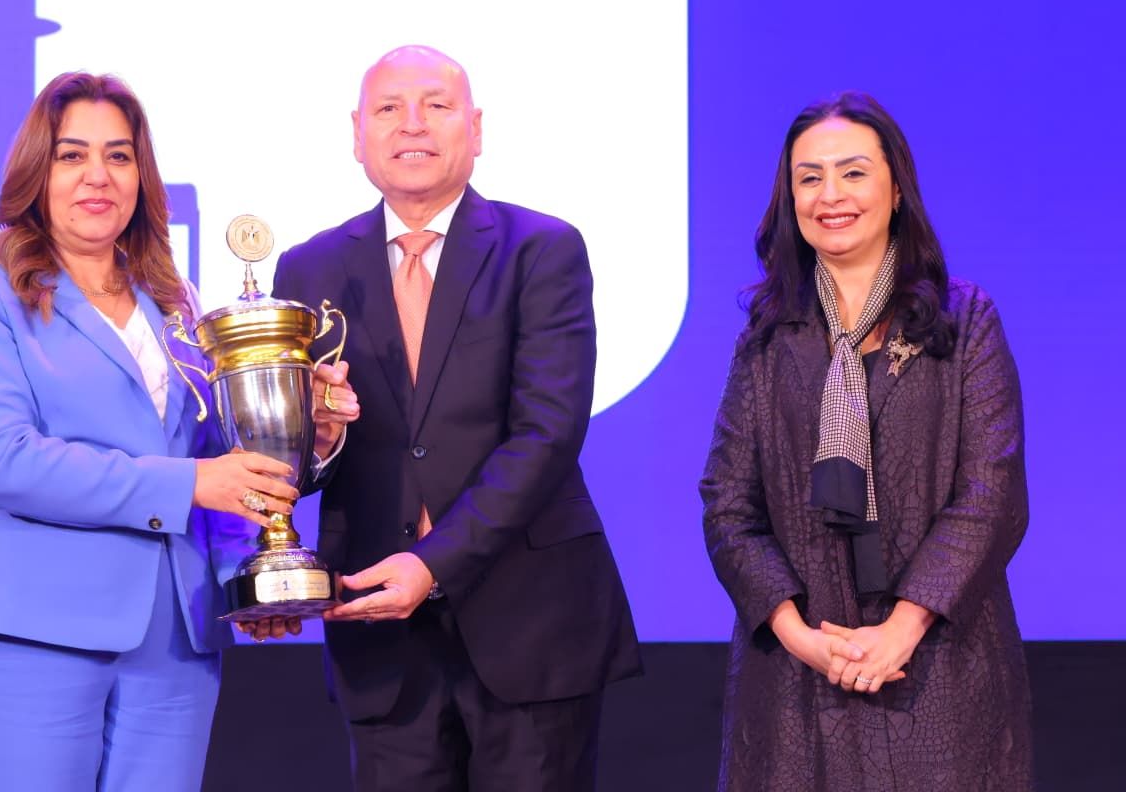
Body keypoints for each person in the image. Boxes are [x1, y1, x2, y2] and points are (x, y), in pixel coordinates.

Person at [262, 45, 641, 791]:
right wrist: (321, 440)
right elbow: (294, 452)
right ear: (357, 134)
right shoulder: (308, 268)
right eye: (388, 109)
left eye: (436, 106)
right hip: (377, 627)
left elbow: (548, 432)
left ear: (476, 129)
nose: (413, 124)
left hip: (529, 620)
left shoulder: (542, 249)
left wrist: (432, 563)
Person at [0, 71, 296, 791]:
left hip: (175, 642)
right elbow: (2, 458)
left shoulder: (176, 304)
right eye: (72, 155)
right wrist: (189, 485)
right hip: (34, 632)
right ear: (37, 172)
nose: (98, 175)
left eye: (119, 155)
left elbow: (214, 462)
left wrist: (244, 579)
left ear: (140, 175)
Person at [699, 92, 1034, 790]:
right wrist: (799, 636)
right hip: (796, 681)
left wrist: (901, 630)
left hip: (938, 670)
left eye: (853, 172)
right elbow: (728, 505)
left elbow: (991, 494)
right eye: (809, 177)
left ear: (896, 188)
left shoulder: (964, 320)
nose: (831, 195)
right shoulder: (767, 335)